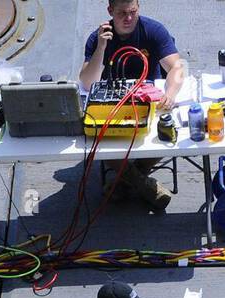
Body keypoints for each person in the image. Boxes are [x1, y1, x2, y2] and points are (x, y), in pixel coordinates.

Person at [78, 0, 186, 212]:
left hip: (148, 102)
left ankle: (122, 182)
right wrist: (101, 47)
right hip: (114, 105)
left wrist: (170, 94)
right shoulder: (97, 37)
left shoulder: (153, 30)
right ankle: (143, 184)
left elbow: (177, 67)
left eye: (132, 12)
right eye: (121, 14)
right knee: (99, 138)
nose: (128, 18)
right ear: (110, 11)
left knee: (166, 133)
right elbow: (87, 82)